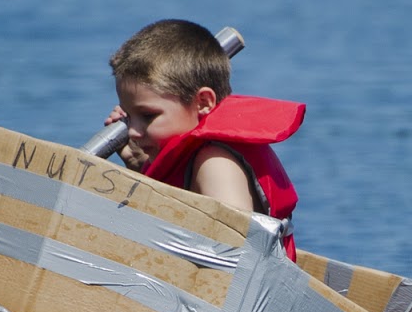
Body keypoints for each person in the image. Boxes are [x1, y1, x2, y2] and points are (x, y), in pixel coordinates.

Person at [105, 19, 304, 260]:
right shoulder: (199, 158)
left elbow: (235, 258)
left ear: (203, 103)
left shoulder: (215, 164)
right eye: (129, 117)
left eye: (147, 116)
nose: (134, 131)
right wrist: (142, 169)